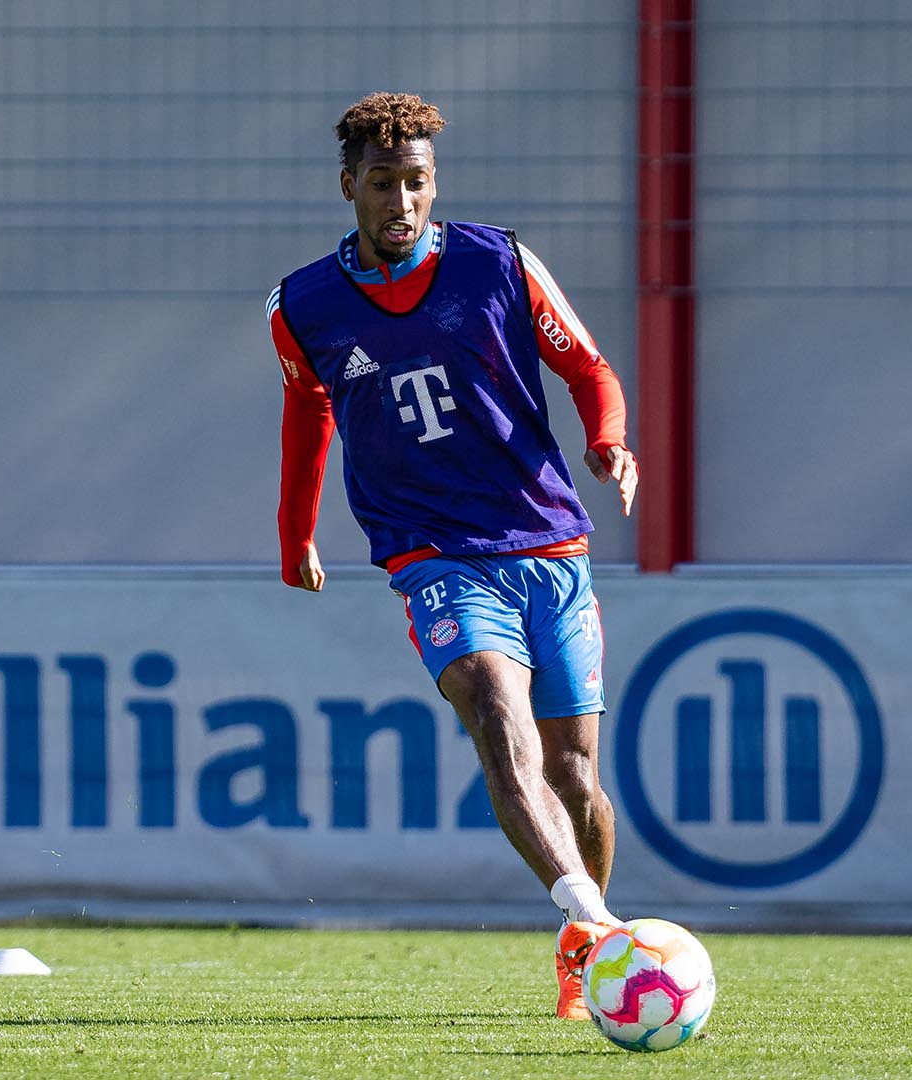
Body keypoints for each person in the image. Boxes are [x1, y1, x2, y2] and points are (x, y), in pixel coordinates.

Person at [266, 93, 640, 1014]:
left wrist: (609, 438)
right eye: (384, 183)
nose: (402, 201)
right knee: (487, 698)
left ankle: (583, 946)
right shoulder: (302, 305)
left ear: (436, 186)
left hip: (544, 536)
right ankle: (592, 921)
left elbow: (587, 366)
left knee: (576, 776)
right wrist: (295, 531)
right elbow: (309, 410)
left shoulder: (498, 261)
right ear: (348, 184)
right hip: (428, 549)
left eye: (418, 183)